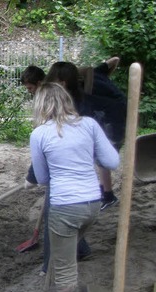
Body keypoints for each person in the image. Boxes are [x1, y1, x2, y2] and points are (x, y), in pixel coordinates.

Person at [30, 82, 119, 292]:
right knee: (66, 253)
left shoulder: (39, 134)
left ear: (41, 105)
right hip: (92, 205)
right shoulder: (88, 125)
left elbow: (41, 178)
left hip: (64, 209)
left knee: (65, 271)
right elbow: (112, 161)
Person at [44, 58, 126, 210]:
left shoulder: (80, 99)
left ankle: (108, 196)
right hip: (115, 108)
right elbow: (115, 60)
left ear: (63, 83)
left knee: (101, 154)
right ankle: (105, 193)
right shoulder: (96, 73)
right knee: (98, 154)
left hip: (112, 117)